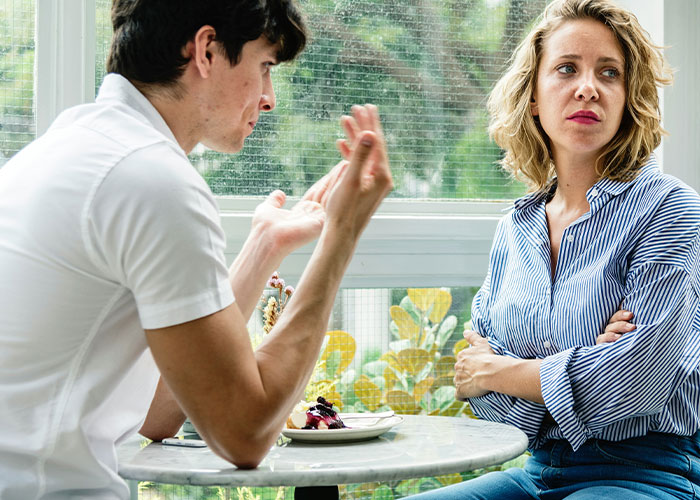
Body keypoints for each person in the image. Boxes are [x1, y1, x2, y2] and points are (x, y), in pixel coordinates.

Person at [0, 1, 392, 498]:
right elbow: (244, 435)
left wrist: (263, 246)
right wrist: (342, 234)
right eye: (265, 67)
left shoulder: (73, 147)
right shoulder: (152, 179)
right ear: (206, 50)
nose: (269, 98)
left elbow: (157, 411)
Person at [409, 0, 700, 499]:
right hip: (533, 468)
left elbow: (644, 377)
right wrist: (589, 366)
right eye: (567, 68)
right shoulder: (514, 229)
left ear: (628, 98)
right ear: (535, 98)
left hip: (647, 470)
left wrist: (510, 371)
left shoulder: (670, 208)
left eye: (609, 73)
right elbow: (478, 390)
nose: (588, 86)